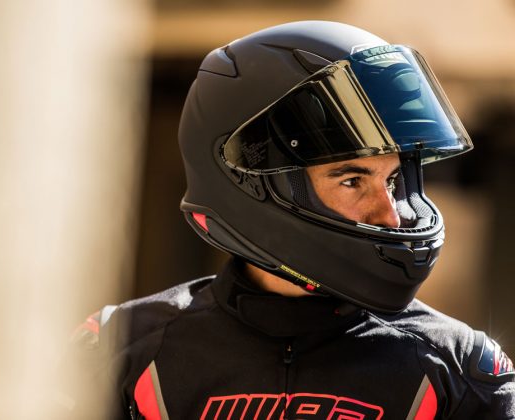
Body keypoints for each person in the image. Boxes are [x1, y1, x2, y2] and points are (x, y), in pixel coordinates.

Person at [55, 21, 515, 419]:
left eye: (392, 181)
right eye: (352, 180)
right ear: (253, 184)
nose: (390, 214)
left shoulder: (457, 366)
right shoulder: (122, 351)